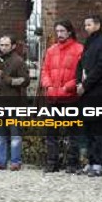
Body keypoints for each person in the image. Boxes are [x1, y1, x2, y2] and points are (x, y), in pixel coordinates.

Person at [40, 20, 83, 173]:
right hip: (53, 97)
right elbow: (45, 70)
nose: (59, 34)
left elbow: (81, 74)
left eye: (62, 31)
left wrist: (67, 87)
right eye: (57, 31)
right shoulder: (51, 50)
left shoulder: (79, 49)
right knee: (51, 132)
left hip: (70, 97)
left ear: (69, 32)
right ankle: (52, 162)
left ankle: (72, 162)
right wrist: (49, 85)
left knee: (72, 132)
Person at [76, 15, 102, 177]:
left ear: (98, 25)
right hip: (86, 92)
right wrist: (79, 82)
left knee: (98, 129)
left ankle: (99, 162)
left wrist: (85, 84)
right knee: (88, 129)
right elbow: (81, 64)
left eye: (89, 24)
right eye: (85, 25)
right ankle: (90, 161)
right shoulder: (89, 42)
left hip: (98, 92)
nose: (86, 28)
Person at [0, 35, 30, 171]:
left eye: (6, 45)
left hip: (13, 103)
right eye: (1, 45)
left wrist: (8, 79)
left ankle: (15, 161)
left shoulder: (18, 61)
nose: (3, 47)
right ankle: (0, 160)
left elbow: (25, 80)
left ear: (12, 46)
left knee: (15, 134)